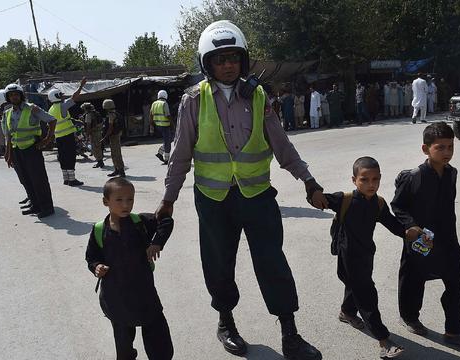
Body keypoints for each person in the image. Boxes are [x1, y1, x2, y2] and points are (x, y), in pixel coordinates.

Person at [156, 20, 325, 360]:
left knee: (272, 261)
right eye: (221, 59)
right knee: (218, 263)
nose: (229, 65)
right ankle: (226, 322)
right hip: (213, 199)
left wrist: (308, 180)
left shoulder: (259, 96)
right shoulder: (193, 100)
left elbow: (281, 144)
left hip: (257, 194)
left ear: (243, 60)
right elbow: (180, 153)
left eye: (234, 58)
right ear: (208, 64)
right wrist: (168, 199)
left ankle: (289, 333)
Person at [392, 122, 460, 352]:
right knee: (414, 279)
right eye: (440, 148)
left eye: (450, 147)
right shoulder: (414, 177)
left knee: (457, 280)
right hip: (421, 240)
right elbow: (398, 206)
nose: (447, 153)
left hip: (448, 239)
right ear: (426, 149)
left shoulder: (452, 174)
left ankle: (454, 331)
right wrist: (411, 226)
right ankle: (410, 317)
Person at [324, 157, 407, 359]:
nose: (371, 184)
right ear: (354, 180)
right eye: (364, 180)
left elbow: (392, 225)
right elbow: (321, 199)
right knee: (367, 295)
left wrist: (409, 232)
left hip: (366, 254)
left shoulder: (378, 203)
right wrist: (314, 192)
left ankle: (347, 312)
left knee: (356, 286)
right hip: (348, 256)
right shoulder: (344, 199)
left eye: (375, 179)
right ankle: (384, 340)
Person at [85, 177, 175, 360]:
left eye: (130, 199)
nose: (126, 204)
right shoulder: (99, 230)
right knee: (124, 343)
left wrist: (157, 243)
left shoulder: (141, 222)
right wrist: (96, 267)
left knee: (158, 338)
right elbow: (91, 257)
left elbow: (166, 221)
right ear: (106, 202)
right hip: (116, 298)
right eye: (119, 200)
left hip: (145, 294)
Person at [3, 83, 57, 218]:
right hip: (17, 152)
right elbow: (9, 135)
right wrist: (9, 154)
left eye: (16, 94)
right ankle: (35, 205)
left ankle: (47, 207)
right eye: (11, 95)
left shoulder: (32, 108)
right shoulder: (7, 113)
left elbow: (52, 120)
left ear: (21, 95)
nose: (14, 97)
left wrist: (47, 139)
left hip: (32, 150)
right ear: (7, 98)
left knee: (39, 180)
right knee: (26, 180)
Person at [47, 77, 87, 187]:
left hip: (58, 137)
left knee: (63, 158)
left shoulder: (51, 109)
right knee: (70, 157)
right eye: (61, 95)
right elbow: (75, 97)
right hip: (67, 136)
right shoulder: (62, 106)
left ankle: (66, 179)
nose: (63, 96)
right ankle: (72, 180)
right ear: (56, 96)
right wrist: (81, 86)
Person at [102, 99, 126, 178]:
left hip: (114, 136)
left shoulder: (111, 115)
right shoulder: (116, 113)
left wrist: (105, 137)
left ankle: (121, 171)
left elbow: (110, 127)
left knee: (116, 153)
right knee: (114, 153)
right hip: (115, 135)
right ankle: (116, 169)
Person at [150, 90, 173, 164]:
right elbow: (168, 115)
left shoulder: (154, 103)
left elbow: (151, 115)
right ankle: (166, 160)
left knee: (167, 141)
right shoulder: (164, 103)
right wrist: (173, 124)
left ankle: (160, 153)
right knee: (168, 142)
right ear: (166, 96)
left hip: (158, 125)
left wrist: (152, 126)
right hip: (165, 126)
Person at [81, 102, 105, 168]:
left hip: (93, 133)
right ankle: (100, 161)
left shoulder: (88, 115)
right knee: (98, 147)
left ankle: (100, 162)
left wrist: (87, 135)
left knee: (94, 148)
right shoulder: (96, 113)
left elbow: (88, 126)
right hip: (99, 132)